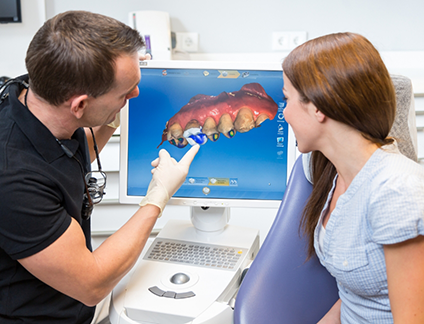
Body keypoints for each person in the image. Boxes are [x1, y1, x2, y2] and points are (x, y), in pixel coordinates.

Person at [0, 11, 199, 323]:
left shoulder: (31, 95)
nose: (135, 94)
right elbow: (91, 283)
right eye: (125, 93)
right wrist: (156, 198)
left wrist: (114, 105)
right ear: (79, 105)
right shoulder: (14, 178)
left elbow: (63, 153)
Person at [282, 32, 424, 323]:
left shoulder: (396, 190)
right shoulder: (328, 173)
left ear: (318, 107)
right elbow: (353, 297)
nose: (284, 113)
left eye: (287, 99)